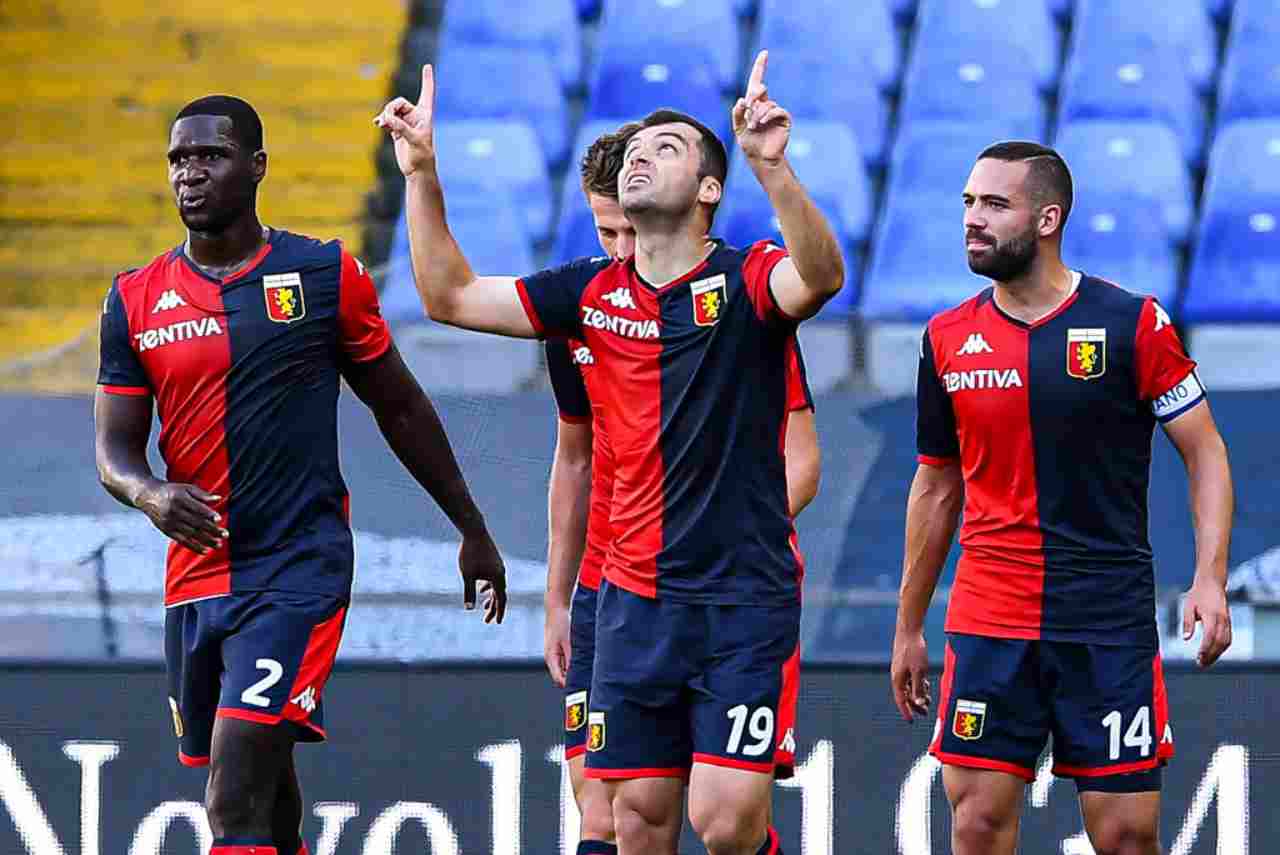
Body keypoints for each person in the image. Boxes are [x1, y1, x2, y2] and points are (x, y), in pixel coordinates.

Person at [377, 49, 843, 855]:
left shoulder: (748, 284)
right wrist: (421, 171)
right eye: (635, 149)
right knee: (634, 821)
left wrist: (772, 169)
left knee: (726, 821)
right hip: (630, 602)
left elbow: (822, 275)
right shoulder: (586, 297)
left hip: (739, 597)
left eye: (667, 148)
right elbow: (447, 295)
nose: (641, 155)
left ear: (707, 192)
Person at [94, 95, 507, 855]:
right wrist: (148, 492)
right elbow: (115, 453)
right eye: (178, 158)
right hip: (197, 578)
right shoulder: (133, 299)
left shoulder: (321, 275)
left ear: (256, 167)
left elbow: (402, 408)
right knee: (267, 793)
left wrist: (471, 526)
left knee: (233, 789)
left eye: (210, 156)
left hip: (296, 568)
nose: (190, 173)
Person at [890, 141, 1235, 855]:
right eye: (967, 203)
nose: (972, 220)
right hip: (990, 617)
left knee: (1128, 833)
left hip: (1104, 616)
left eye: (993, 204)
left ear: (1048, 218)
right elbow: (935, 484)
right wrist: (908, 624)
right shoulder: (947, 338)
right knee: (978, 822)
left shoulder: (1132, 323)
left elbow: (1205, 451)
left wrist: (1209, 576)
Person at [543, 124, 822, 854]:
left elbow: (800, 458)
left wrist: (713, 521)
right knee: (605, 810)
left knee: (722, 817)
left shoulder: (737, 314)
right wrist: (559, 595)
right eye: (605, 232)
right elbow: (574, 457)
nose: (619, 251)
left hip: (724, 581)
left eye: (623, 232)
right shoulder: (582, 311)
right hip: (613, 589)